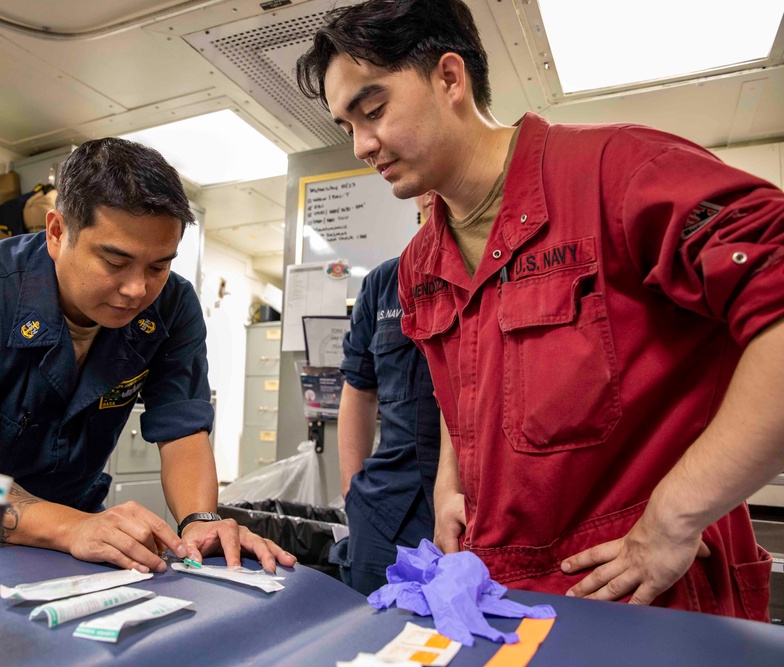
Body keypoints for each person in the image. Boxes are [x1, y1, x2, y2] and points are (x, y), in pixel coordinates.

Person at [296, 0, 784, 619]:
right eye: (347, 127)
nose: (362, 145)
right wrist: (451, 482)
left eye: (373, 111)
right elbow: (459, 382)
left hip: (642, 588)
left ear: (450, 78)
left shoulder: (619, 173)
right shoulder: (420, 264)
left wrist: (674, 517)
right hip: (501, 584)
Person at [0, 138, 295, 574]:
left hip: (81, 532)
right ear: (57, 232)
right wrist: (71, 528)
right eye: (115, 261)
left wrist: (201, 520)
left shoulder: (174, 305)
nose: (137, 289)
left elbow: (182, 430)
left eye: (158, 266)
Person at [337, 193, 439, 595]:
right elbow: (358, 390)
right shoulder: (384, 283)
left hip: (481, 511)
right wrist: (352, 493)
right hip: (385, 512)